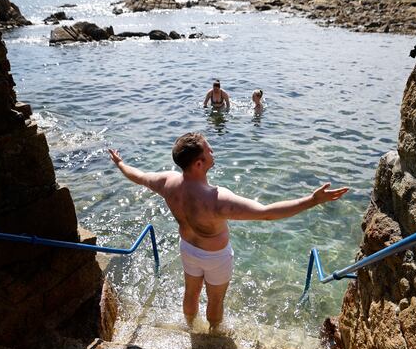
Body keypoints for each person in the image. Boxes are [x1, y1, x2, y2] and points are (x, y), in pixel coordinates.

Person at [108, 133, 348, 332]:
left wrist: (120, 164)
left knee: (191, 292)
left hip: (188, 249)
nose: (213, 151)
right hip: (215, 258)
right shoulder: (217, 199)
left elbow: (137, 176)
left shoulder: (167, 181)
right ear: (198, 163)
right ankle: (213, 334)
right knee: (215, 299)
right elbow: (267, 213)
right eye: (208, 150)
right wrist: (312, 200)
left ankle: (191, 329)